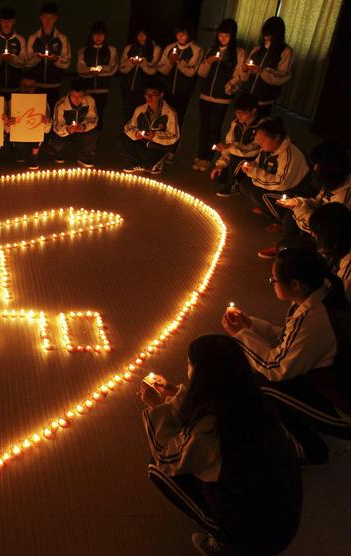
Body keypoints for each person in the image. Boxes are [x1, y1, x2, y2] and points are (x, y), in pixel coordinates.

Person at [140, 334, 301, 555]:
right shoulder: (251, 401)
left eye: (189, 364)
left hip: (257, 536)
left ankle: (224, 541)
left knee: (157, 469)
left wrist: (157, 407)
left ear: (203, 376)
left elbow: (167, 458)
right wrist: (174, 393)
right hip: (284, 516)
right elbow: (199, 412)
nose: (186, 368)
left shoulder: (212, 430)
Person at [223, 247, 351, 464]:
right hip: (330, 378)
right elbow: (288, 340)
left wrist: (241, 335)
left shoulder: (313, 318)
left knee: (263, 382)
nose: (272, 284)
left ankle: (307, 448)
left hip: (344, 406)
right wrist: (251, 326)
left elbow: (275, 367)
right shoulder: (319, 296)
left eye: (274, 280)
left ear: (295, 284)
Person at [235, 118, 312, 258]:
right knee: (245, 186)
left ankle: (282, 239)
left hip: (296, 191)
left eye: (262, 140)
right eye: (258, 140)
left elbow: (282, 183)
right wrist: (252, 168)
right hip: (276, 186)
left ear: (276, 137)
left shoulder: (289, 154)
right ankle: (274, 215)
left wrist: (255, 173)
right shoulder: (267, 149)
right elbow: (258, 165)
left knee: (261, 195)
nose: (259, 144)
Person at [194, 19, 244, 172]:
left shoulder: (238, 53)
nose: (222, 39)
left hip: (222, 98)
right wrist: (208, 62)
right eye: (220, 35)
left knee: (215, 128)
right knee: (204, 127)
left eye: (226, 36)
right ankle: (200, 154)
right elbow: (201, 73)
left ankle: (208, 157)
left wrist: (227, 88)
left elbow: (238, 75)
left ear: (232, 36)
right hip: (205, 95)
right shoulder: (211, 49)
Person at [281, 140, 351, 234]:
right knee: (292, 211)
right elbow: (319, 203)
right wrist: (298, 202)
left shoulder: (343, 198)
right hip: (321, 224)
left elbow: (323, 229)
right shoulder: (334, 180)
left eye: (317, 164)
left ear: (328, 167)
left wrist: (298, 208)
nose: (314, 168)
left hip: (329, 238)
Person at [208, 93, 266, 198]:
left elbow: (254, 149)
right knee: (218, 176)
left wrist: (230, 146)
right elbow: (228, 145)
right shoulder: (235, 124)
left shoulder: (262, 126)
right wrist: (221, 164)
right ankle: (236, 180)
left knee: (239, 158)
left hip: (254, 161)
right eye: (237, 112)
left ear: (253, 111)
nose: (239, 116)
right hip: (236, 158)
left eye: (243, 113)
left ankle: (236, 185)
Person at [120, 80, 179, 175]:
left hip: (159, 146)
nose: (149, 97)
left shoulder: (169, 113)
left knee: (149, 168)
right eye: (147, 94)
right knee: (122, 139)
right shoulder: (140, 110)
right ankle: (137, 163)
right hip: (144, 143)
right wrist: (135, 133)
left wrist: (155, 136)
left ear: (161, 95)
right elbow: (128, 126)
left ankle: (160, 158)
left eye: (154, 94)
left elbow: (174, 136)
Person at [242, 17, 293, 118]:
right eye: (265, 34)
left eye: (270, 35)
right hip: (248, 96)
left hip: (264, 99)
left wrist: (261, 71)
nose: (266, 37)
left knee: (259, 127)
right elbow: (246, 71)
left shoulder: (285, 52)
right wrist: (245, 70)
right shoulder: (257, 49)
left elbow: (280, 78)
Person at [157, 23, 202, 133]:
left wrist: (178, 61)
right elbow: (162, 69)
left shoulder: (196, 49)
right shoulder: (170, 47)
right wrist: (170, 62)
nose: (180, 36)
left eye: (183, 34)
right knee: (163, 118)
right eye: (178, 34)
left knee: (177, 120)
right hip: (167, 89)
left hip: (183, 91)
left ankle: (173, 147)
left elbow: (191, 72)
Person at [25, 3, 69, 109]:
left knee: (52, 116)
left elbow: (66, 63)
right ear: (41, 18)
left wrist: (55, 59)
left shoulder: (62, 38)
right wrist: (37, 57)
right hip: (36, 86)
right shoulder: (33, 38)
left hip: (55, 85)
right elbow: (27, 62)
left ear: (56, 19)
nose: (48, 20)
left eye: (51, 17)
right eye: (45, 17)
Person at [76, 21, 117, 131]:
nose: (98, 37)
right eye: (96, 34)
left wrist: (100, 69)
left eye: (101, 34)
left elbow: (112, 67)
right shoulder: (84, 50)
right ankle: (85, 131)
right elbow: (80, 69)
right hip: (87, 88)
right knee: (86, 112)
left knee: (100, 111)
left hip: (103, 88)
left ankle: (97, 134)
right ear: (91, 35)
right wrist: (91, 71)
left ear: (105, 36)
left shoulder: (111, 50)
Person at [49, 79, 98, 168]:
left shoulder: (90, 101)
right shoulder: (61, 104)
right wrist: (68, 129)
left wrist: (84, 126)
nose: (77, 99)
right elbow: (57, 126)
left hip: (81, 131)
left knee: (93, 133)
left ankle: (84, 156)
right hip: (66, 132)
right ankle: (58, 152)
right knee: (57, 142)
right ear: (69, 93)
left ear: (84, 94)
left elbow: (93, 118)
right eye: (74, 96)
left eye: (80, 96)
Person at [8, 74, 51, 169]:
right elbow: (7, 126)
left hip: (35, 133)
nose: (27, 89)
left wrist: (46, 122)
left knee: (38, 134)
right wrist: (9, 122)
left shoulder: (42, 102)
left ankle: (34, 155)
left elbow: (47, 129)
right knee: (20, 146)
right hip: (19, 133)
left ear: (35, 87)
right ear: (20, 86)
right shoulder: (12, 101)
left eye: (30, 86)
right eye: (24, 86)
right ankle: (20, 151)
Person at [309, 203, 351, 300]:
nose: (312, 234)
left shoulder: (348, 264)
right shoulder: (342, 242)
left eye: (316, 232)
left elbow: (340, 296)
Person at [0, 6, 27, 98]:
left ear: (14, 22)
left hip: (16, 88)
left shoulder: (20, 40)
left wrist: (12, 58)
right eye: (4, 21)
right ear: (0, 21)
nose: (6, 24)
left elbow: (24, 61)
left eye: (9, 21)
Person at [119, 27, 160, 122]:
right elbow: (122, 67)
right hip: (127, 84)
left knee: (142, 110)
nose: (141, 37)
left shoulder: (155, 49)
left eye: (144, 34)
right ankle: (127, 130)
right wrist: (131, 63)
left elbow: (154, 69)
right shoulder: (129, 48)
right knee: (127, 108)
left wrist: (143, 64)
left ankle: (140, 130)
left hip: (144, 85)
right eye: (139, 34)